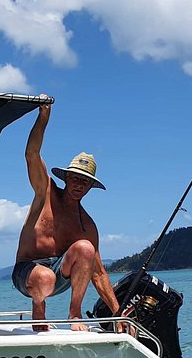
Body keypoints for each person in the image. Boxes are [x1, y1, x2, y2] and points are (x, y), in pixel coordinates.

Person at [12, 101, 127, 332]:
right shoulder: (45, 192)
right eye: (75, 178)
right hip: (27, 271)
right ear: (66, 178)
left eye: (85, 181)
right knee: (44, 278)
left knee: (86, 248)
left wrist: (118, 314)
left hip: (60, 275)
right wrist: (43, 117)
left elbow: (99, 273)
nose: (79, 184)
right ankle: (39, 307)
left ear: (90, 187)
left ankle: (74, 314)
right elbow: (31, 154)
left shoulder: (87, 225)